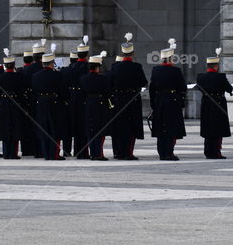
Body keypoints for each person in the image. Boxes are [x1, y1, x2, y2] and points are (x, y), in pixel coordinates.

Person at [109, 32, 147, 160]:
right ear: (132, 53)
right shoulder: (137, 67)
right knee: (131, 128)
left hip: (118, 99)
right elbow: (144, 82)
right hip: (132, 99)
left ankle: (118, 152)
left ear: (122, 53)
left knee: (119, 126)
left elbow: (110, 82)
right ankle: (128, 153)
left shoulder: (115, 67)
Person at [148, 39, 186, 161]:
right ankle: (169, 153)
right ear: (171, 59)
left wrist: (153, 104)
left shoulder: (155, 70)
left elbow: (152, 89)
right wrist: (181, 101)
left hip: (159, 101)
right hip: (172, 101)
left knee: (160, 129)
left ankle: (161, 153)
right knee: (171, 128)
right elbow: (182, 87)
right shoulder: (176, 71)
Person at [31, 51, 69, 160]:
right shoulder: (57, 75)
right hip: (54, 103)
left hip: (41, 103)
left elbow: (34, 91)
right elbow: (63, 92)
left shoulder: (35, 76)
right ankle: (54, 154)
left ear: (43, 64)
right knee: (55, 129)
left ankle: (46, 153)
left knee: (44, 128)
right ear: (52, 63)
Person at [195, 48, 233, 159]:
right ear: (216, 66)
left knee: (208, 129)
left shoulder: (200, 77)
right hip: (218, 105)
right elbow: (229, 89)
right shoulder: (220, 77)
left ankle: (208, 152)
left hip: (206, 105)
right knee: (217, 130)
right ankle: (216, 152)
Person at [0, 49, 29, 159]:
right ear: (13, 65)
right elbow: (21, 92)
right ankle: (13, 153)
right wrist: (25, 106)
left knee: (5, 127)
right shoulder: (19, 77)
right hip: (16, 103)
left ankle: (6, 152)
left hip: (4, 103)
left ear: (5, 65)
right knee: (15, 127)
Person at [79, 51, 112, 160]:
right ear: (98, 67)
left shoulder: (83, 79)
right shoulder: (103, 79)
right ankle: (99, 154)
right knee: (100, 130)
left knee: (90, 129)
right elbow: (107, 93)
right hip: (100, 105)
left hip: (88, 104)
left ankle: (92, 153)